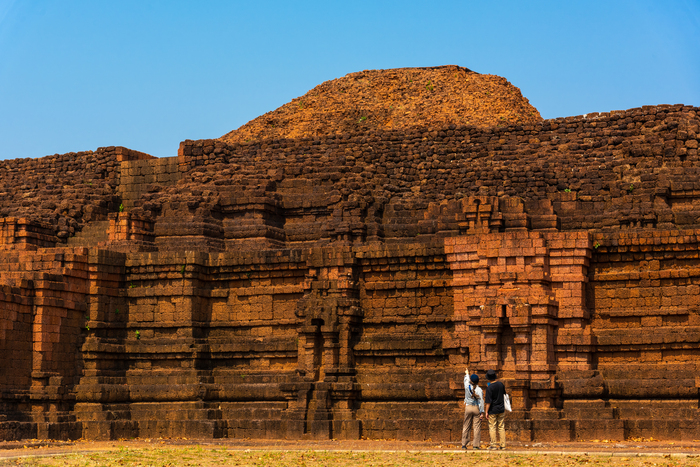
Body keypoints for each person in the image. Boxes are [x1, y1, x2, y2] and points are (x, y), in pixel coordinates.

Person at [461, 368, 484, 450]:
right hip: (476, 408)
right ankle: (476, 445)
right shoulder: (479, 390)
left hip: (468, 407)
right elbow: (481, 401)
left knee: (466, 425)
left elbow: (466, 380)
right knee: (476, 427)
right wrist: (482, 412)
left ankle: (464, 444)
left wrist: (467, 373)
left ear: (471, 380)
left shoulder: (467, 386)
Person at [484, 369, 506, 450]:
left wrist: (486, 412)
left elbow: (488, 402)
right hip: (501, 409)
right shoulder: (501, 384)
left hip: (493, 410)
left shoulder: (489, 388)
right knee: (501, 427)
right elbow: (504, 394)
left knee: (492, 427)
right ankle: (503, 445)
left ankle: (493, 445)